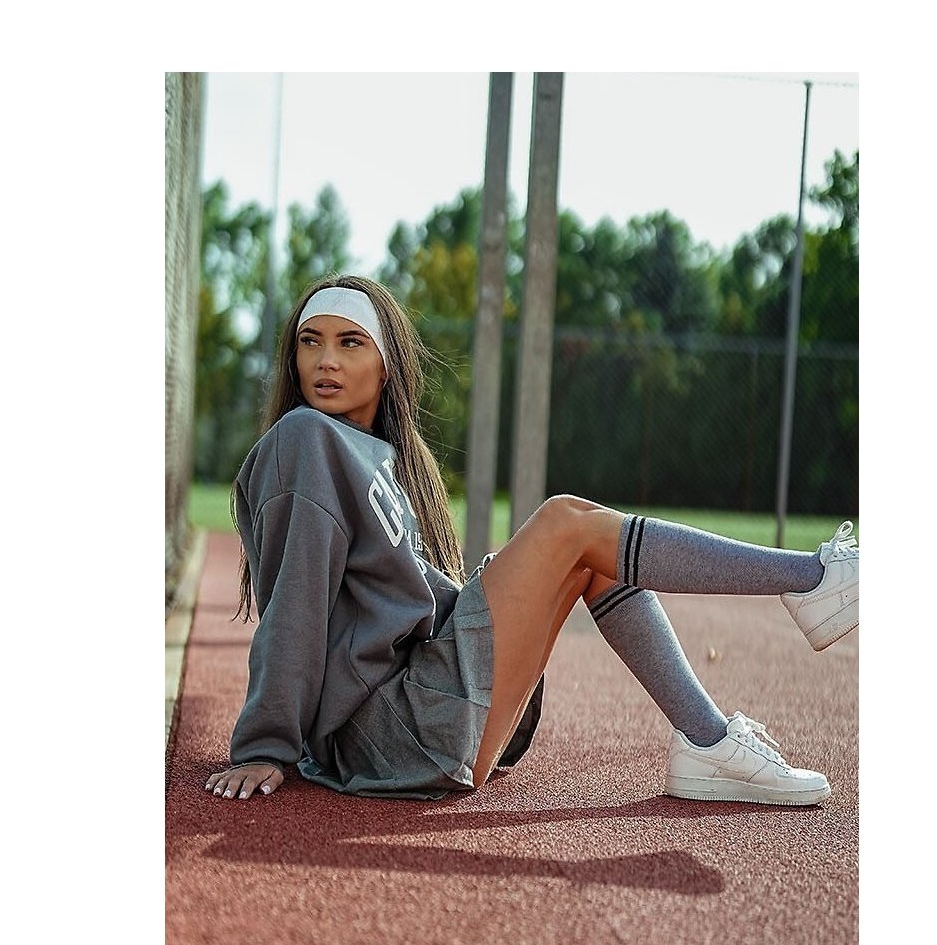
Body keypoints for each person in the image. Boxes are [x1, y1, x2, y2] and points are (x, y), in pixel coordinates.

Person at [204, 274, 858, 809]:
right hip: (394, 729)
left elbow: (406, 603)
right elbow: (295, 603)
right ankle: (810, 577)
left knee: (589, 553)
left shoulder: (380, 457)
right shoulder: (303, 440)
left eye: (350, 342)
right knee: (567, 522)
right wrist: (266, 745)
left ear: (387, 364)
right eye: (310, 342)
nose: (325, 360)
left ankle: (708, 740)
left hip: (423, 708)